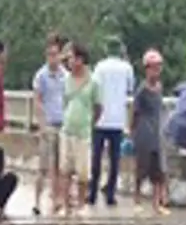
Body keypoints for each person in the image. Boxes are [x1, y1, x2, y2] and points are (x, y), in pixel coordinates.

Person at [89, 38, 133, 207]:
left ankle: (92, 193)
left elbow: (95, 88)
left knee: (96, 159)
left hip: (100, 120)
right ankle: (110, 194)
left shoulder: (100, 67)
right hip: (118, 120)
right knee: (115, 160)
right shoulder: (126, 68)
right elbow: (130, 88)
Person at [31, 35, 68, 217]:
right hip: (48, 125)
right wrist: (41, 124)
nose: (52, 58)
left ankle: (58, 200)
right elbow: (37, 100)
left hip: (63, 124)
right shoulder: (41, 75)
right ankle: (37, 201)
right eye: (49, 55)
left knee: (61, 166)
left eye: (55, 55)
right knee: (43, 166)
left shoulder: (65, 76)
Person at [60, 43, 99, 213]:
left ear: (81, 60)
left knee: (83, 172)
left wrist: (90, 122)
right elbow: (65, 102)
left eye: (72, 58)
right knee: (65, 169)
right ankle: (66, 204)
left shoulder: (94, 81)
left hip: (83, 132)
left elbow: (98, 107)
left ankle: (82, 204)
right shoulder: (66, 80)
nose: (69, 62)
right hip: (67, 129)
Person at [130, 49, 168, 213]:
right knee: (141, 167)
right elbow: (135, 113)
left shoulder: (159, 88)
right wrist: (132, 132)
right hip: (144, 132)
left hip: (156, 132)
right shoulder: (142, 90)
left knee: (157, 170)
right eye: (153, 68)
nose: (156, 71)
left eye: (158, 67)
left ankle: (156, 203)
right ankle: (137, 199)